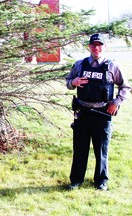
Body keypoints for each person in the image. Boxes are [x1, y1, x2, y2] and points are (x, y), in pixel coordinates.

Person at [65, 33, 131, 191]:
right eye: (93, 45)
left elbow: (125, 87)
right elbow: (68, 82)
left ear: (104, 47)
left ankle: (101, 180)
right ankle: (76, 180)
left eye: (100, 45)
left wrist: (116, 102)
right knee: (80, 147)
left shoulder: (112, 66)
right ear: (89, 47)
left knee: (101, 148)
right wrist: (73, 82)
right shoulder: (80, 65)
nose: (96, 48)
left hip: (102, 112)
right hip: (82, 112)